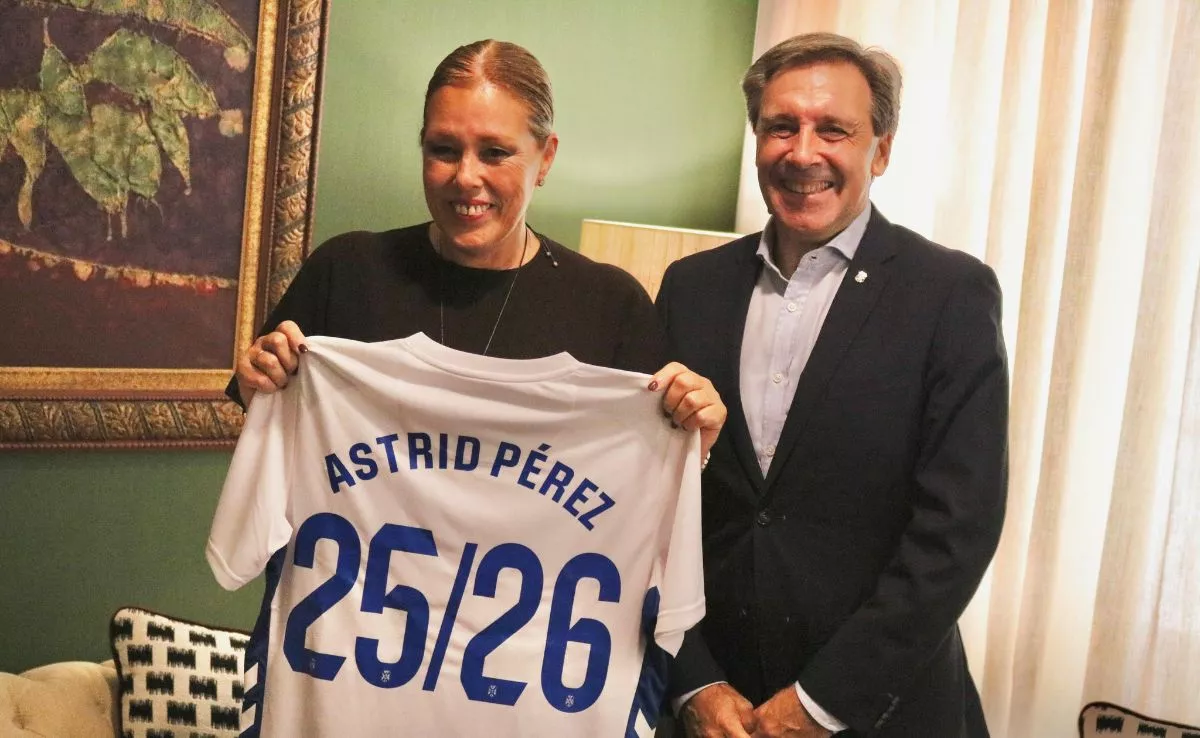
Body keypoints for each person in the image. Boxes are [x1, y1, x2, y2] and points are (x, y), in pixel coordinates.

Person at [655, 33, 1008, 737]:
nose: (803, 152)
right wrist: (693, 682)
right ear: (757, 140)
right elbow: (650, 509)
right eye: (781, 126)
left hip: (883, 713)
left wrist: (818, 706)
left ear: (880, 150)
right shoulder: (690, 289)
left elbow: (955, 534)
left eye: (834, 130)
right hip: (716, 715)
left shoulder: (950, 294)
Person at [233, 39, 725, 450]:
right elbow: (277, 442)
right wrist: (264, 389)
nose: (466, 177)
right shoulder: (347, 272)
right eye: (443, 150)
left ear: (546, 158)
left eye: (495, 153)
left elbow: (641, 483)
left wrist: (691, 442)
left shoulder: (611, 306)